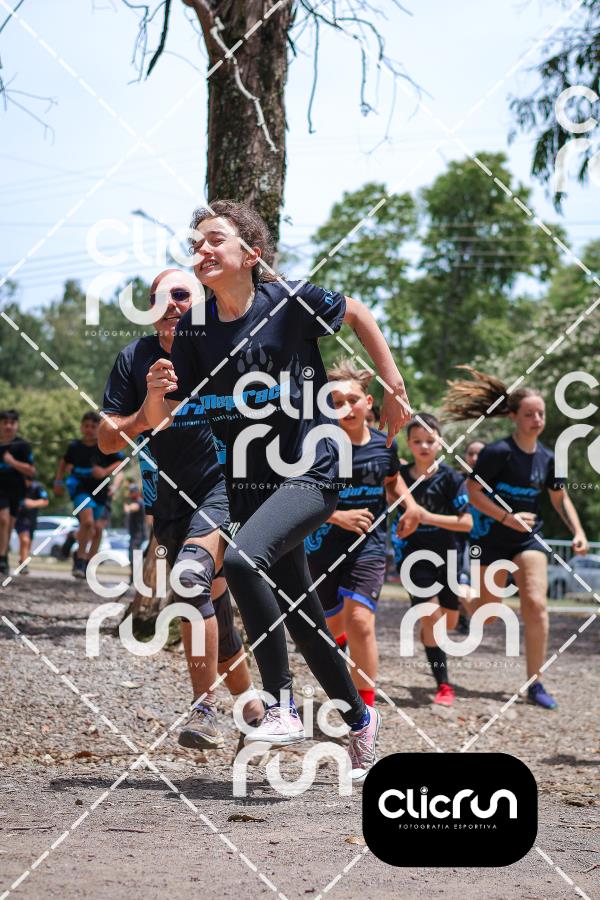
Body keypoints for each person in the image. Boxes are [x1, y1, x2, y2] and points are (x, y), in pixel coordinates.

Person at [142, 200, 412, 780]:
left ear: (250, 253)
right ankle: (360, 720)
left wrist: (393, 384)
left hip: (312, 469)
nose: (202, 249)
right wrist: (156, 394)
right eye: (196, 243)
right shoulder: (194, 330)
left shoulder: (288, 301)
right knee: (304, 618)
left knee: (242, 563)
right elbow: (171, 417)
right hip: (249, 486)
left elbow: (358, 312)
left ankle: (281, 704)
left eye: (215, 239)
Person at [99, 268, 264, 749]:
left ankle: (203, 708)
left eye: (180, 294)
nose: (169, 304)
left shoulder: (227, 347)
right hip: (169, 502)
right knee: (210, 607)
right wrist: (147, 407)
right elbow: (107, 440)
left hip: (227, 489)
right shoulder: (134, 358)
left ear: (204, 302)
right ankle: (255, 709)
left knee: (190, 581)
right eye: (158, 297)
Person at [443, 367, 588, 710]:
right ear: (513, 416)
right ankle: (463, 593)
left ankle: (535, 683)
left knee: (535, 605)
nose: (537, 420)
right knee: (489, 616)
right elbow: (473, 491)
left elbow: (559, 497)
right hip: (492, 540)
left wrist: (578, 531)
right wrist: (508, 518)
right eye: (529, 414)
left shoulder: (549, 458)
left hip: (528, 540)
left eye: (541, 414)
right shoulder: (497, 453)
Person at [305, 361, 420, 707]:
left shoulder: (386, 445)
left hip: (368, 544)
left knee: (361, 621)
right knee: (332, 625)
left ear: (368, 402)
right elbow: (298, 497)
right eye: (336, 402)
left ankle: (365, 711)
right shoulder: (318, 447)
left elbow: (391, 481)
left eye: (352, 399)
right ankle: (338, 644)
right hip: (323, 546)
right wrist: (337, 516)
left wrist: (410, 506)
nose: (346, 407)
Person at [391, 414, 472, 707]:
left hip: (448, 556)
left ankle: (441, 622)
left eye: (430, 440)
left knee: (446, 622)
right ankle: (444, 685)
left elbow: (466, 523)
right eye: (417, 441)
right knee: (431, 617)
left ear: (440, 441)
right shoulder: (398, 477)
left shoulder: (451, 478)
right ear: (409, 443)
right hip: (413, 557)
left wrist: (425, 517)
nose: (424, 446)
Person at [54, 411, 125, 578]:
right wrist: (58, 481)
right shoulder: (74, 446)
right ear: (81, 427)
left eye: (93, 426)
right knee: (87, 523)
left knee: (97, 529)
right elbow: (64, 462)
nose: (89, 429)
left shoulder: (105, 445)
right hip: (79, 488)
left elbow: (121, 463)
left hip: (100, 490)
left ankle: (88, 564)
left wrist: (105, 472)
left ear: (99, 428)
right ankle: (79, 560)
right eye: (86, 426)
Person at [455, 439, 486, 634]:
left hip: (485, 540)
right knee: (461, 580)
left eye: (479, 454)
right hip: (460, 539)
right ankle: (464, 617)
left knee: (478, 586)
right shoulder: (456, 481)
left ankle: (469, 615)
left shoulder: (496, 483)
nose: (474, 458)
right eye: (470, 454)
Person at [0, 409, 36, 576]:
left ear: (17, 425)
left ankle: (3, 557)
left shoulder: (22, 446)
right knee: (3, 520)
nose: (8, 426)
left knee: (8, 525)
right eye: (5, 422)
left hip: (16, 490)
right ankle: (2, 558)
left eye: (12, 423)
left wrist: (12, 462)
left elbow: (31, 471)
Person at [14, 477, 49, 573]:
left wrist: (32, 503)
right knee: (25, 540)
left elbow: (45, 501)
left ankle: (22, 560)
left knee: (28, 542)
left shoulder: (37, 487)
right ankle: (24, 565)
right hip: (19, 518)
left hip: (32, 518)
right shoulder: (15, 485)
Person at [123, 480, 146, 580]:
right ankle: (134, 576)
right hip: (135, 535)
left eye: (132, 491)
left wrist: (127, 506)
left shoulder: (139, 502)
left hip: (138, 536)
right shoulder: (135, 502)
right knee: (132, 556)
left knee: (135, 556)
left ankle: (136, 577)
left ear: (136, 492)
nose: (130, 493)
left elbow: (133, 508)